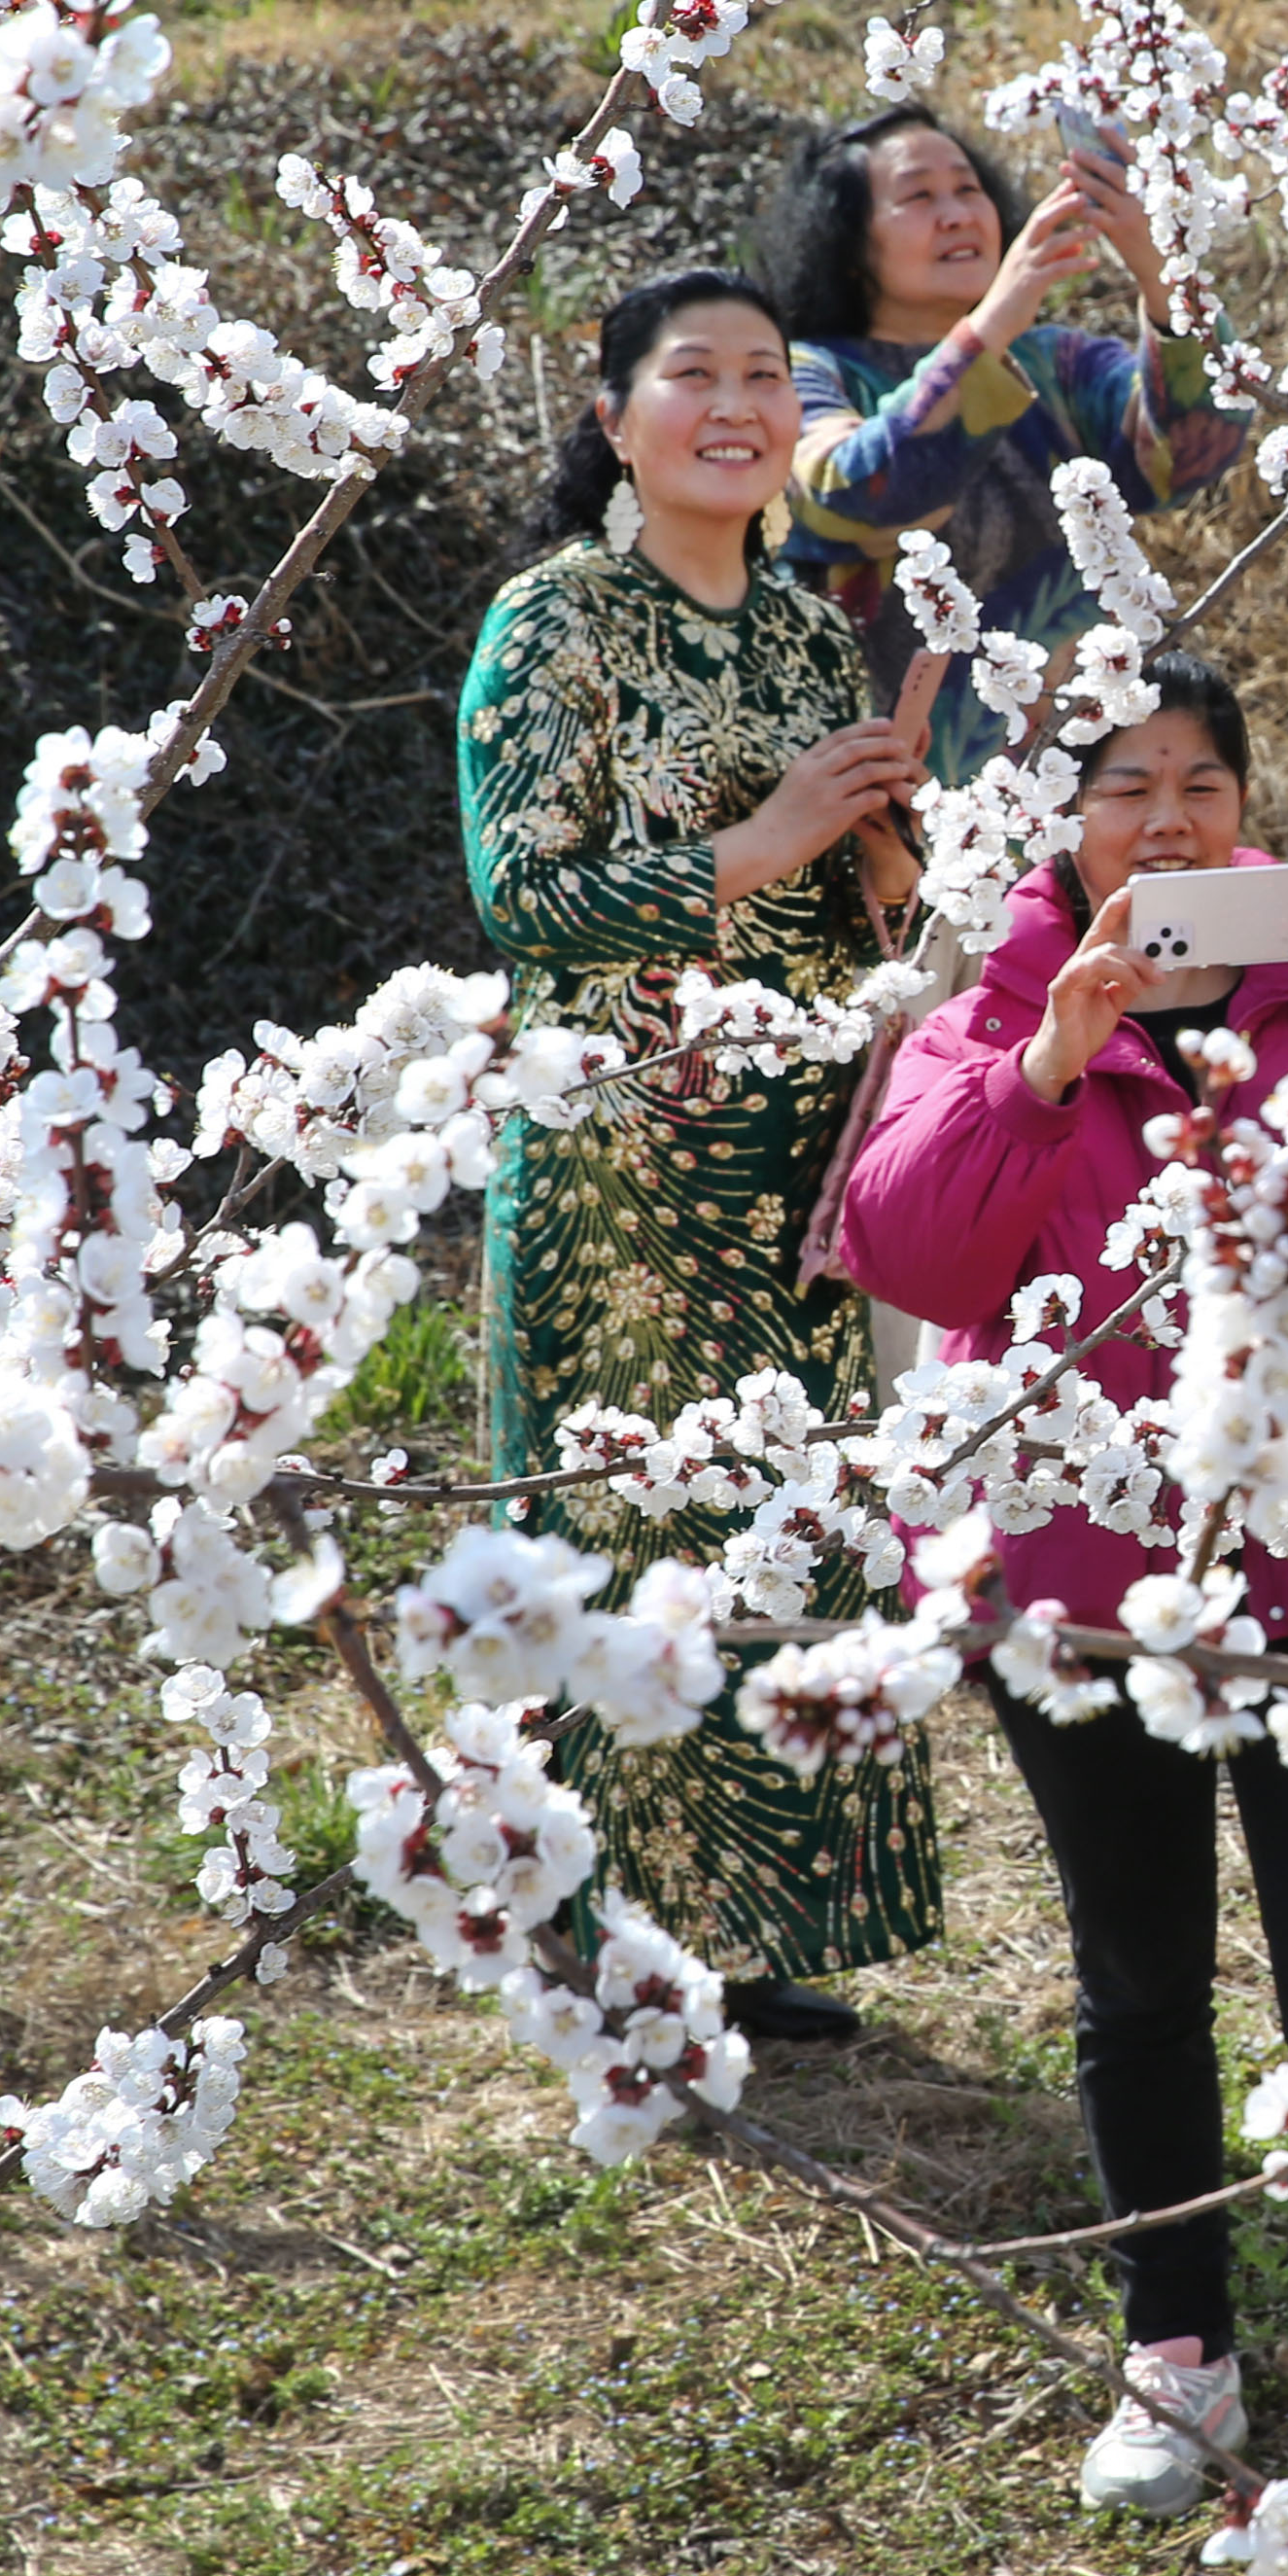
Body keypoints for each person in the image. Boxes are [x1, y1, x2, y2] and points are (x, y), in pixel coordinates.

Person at [830, 650, 1288, 2521]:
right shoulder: (988, 1022)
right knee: (1136, 1981)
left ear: (1247, 803)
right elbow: (905, 1242)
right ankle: (1178, 2349)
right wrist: (1055, 1056)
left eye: (1200, 777)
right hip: (1075, 1586)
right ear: (1057, 822)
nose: (1166, 814)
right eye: (1120, 782)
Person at [456, 264, 945, 2049]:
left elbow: (862, 896)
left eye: (766, 377)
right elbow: (526, 896)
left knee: (785, 1520)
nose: (736, 405)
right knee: (627, 1513)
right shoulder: (555, 619)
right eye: (694, 376)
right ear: (614, 417)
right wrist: (762, 839)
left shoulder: (819, 631)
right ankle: (601, 1926)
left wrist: (893, 859)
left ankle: (759, 1930)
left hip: (796, 1141)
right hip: (620, 1152)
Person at [757, 106, 1254, 790]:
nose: (958, 213)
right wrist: (986, 329)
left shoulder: (1055, 364)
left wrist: (1158, 265)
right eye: (918, 196)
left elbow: (1193, 452)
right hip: (888, 792)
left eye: (968, 189)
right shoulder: (804, 372)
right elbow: (850, 493)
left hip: (1073, 782)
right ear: (846, 240)